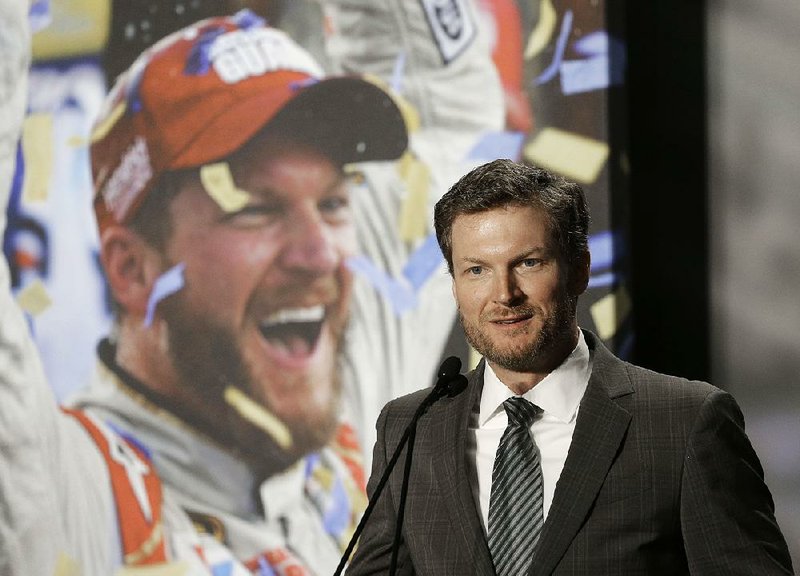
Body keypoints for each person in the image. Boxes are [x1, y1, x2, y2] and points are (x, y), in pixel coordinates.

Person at [1, 3, 505, 574]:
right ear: (132, 270)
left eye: (334, 202)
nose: (319, 255)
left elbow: (444, 111)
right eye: (256, 210)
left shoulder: (348, 383)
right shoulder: (63, 502)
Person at [347, 159, 795, 575]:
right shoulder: (410, 428)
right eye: (477, 270)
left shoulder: (685, 421)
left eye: (528, 263)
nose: (504, 294)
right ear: (454, 283)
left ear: (579, 269)